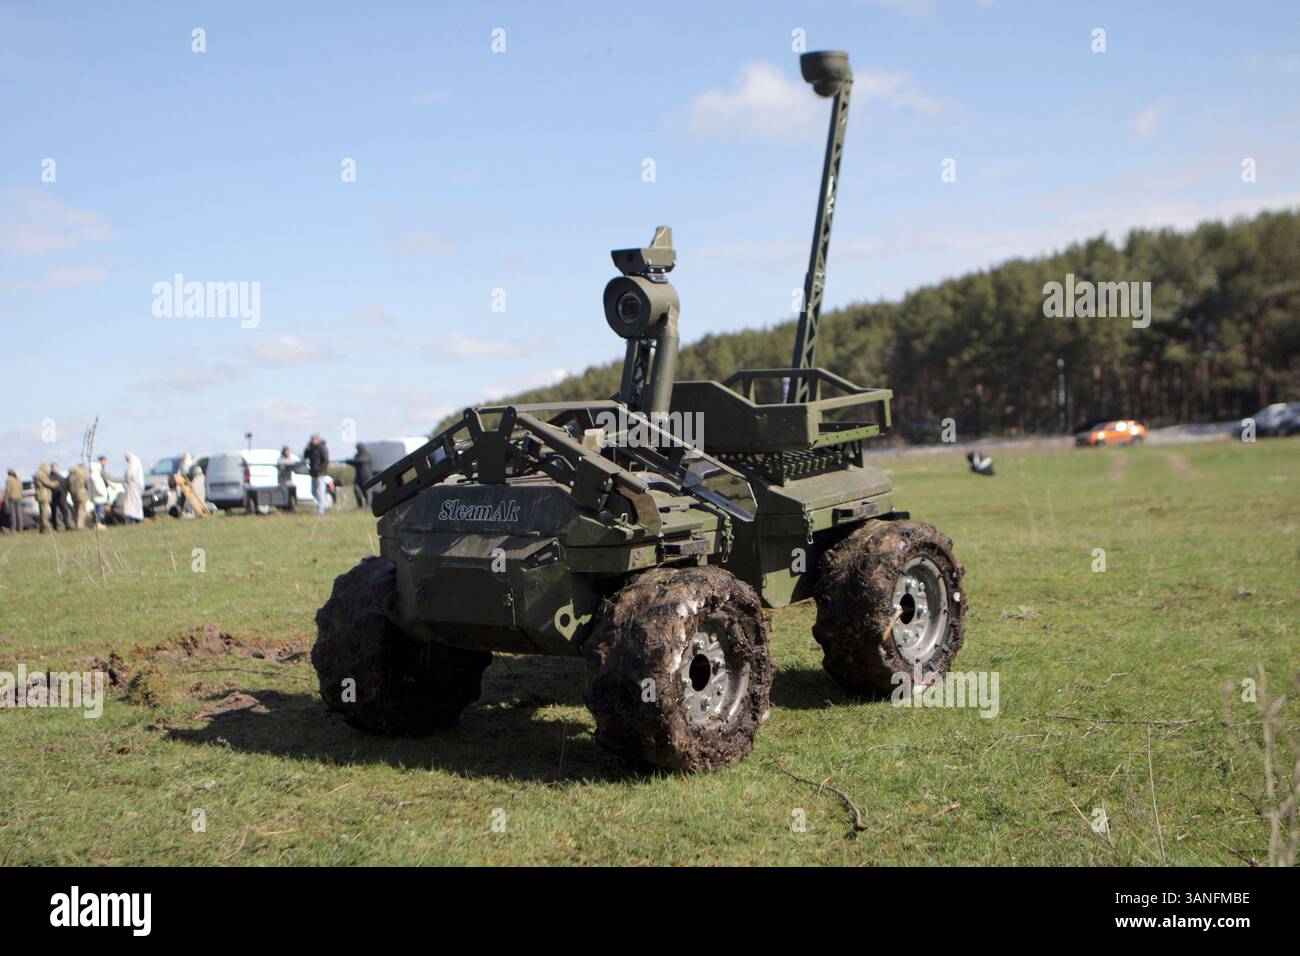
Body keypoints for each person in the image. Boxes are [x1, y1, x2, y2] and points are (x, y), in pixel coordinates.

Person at [302, 434, 330, 516]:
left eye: (313, 439)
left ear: (317, 439)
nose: (312, 441)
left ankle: (321, 510)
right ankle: (326, 506)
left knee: (320, 491)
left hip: (320, 473)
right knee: (314, 492)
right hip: (313, 473)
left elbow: (326, 460)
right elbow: (305, 456)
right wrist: (308, 447)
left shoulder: (322, 447)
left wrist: (320, 469)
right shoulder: (311, 448)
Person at [33, 462, 60, 533]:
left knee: (42, 512)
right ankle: (46, 528)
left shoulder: (37, 474)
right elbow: (47, 483)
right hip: (43, 495)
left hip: (40, 495)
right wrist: (55, 483)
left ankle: (41, 528)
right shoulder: (41, 474)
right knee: (45, 513)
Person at [345, 443, 373, 510]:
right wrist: (348, 462)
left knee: (367, 493)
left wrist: (349, 461)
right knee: (356, 490)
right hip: (358, 477)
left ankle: (368, 507)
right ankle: (360, 506)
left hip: (367, 477)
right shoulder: (357, 455)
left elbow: (359, 461)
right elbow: (355, 463)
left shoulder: (366, 455)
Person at [122, 453, 144, 524]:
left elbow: (130, 475)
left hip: (134, 487)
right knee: (135, 503)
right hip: (135, 487)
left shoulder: (133, 464)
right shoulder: (136, 463)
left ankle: (133, 518)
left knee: (132, 504)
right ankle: (136, 517)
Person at [69, 462, 90, 530]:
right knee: (82, 510)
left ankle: (76, 523)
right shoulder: (82, 475)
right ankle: (80, 525)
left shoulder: (71, 476)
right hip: (82, 494)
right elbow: (87, 484)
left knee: (75, 509)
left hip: (73, 495)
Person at [276, 446, 297, 512]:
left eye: (289, 451)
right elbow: (281, 467)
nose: (288, 453)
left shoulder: (291, 459)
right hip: (282, 479)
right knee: (283, 493)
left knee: (290, 493)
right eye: (287, 451)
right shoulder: (280, 459)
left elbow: (294, 467)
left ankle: (291, 507)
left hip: (289, 479)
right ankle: (283, 507)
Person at [4, 468, 24, 533]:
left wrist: (6, 499)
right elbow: (21, 489)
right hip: (19, 498)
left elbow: (8, 489)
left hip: (12, 498)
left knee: (13, 514)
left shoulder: (9, 479)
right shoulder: (18, 479)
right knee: (19, 514)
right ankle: (20, 529)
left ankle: (13, 529)